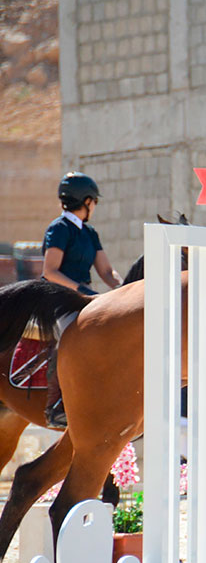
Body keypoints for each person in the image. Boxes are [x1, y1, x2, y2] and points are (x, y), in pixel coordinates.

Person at [41, 171, 123, 426]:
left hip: (83, 297)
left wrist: (127, 289)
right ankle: (57, 404)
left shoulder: (89, 233)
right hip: (57, 297)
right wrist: (83, 290)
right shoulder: (59, 228)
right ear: (87, 201)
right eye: (94, 202)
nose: (94, 207)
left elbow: (106, 271)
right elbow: (50, 271)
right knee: (70, 335)